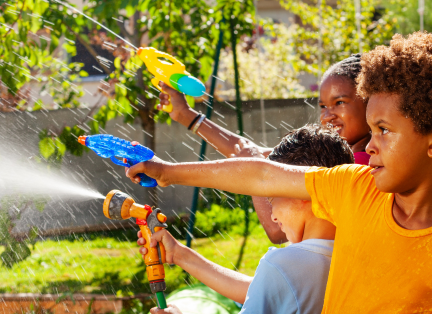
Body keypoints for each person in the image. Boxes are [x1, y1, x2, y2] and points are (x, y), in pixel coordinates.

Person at [127, 32, 432, 314]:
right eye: (371, 129)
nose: (369, 145)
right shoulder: (356, 188)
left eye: (385, 130)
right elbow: (263, 172)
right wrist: (167, 171)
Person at [145, 125, 355, 314]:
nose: (274, 216)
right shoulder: (350, 257)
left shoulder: (284, 263)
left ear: (303, 193)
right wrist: (180, 254)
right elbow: (263, 293)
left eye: (272, 199)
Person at [157, 54, 371, 244]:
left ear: (370, 102)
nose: (327, 115)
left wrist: (165, 172)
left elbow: (276, 229)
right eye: (323, 106)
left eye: (340, 102)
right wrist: (185, 115)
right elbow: (248, 152)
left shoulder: (362, 167)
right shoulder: (334, 154)